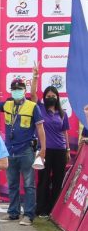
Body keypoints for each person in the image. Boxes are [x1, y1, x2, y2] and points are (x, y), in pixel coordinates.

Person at [0, 77, 46, 226]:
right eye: (14, 89)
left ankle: (29, 215)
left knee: (29, 185)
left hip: (26, 151)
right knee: (12, 184)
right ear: (11, 91)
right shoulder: (8, 104)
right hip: (9, 150)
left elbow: (40, 128)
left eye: (20, 89)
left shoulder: (32, 106)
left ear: (24, 90)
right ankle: (13, 213)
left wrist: (43, 149)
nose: (17, 91)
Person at [31, 67, 70, 218]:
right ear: (44, 97)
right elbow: (33, 94)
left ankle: (53, 209)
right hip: (44, 150)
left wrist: (67, 150)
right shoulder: (39, 108)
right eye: (48, 95)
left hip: (60, 151)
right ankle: (41, 209)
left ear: (58, 97)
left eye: (53, 95)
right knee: (43, 180)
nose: (51, 97)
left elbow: (65, 132)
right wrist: (35, 76)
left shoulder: (63, 113)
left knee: (58, 180)